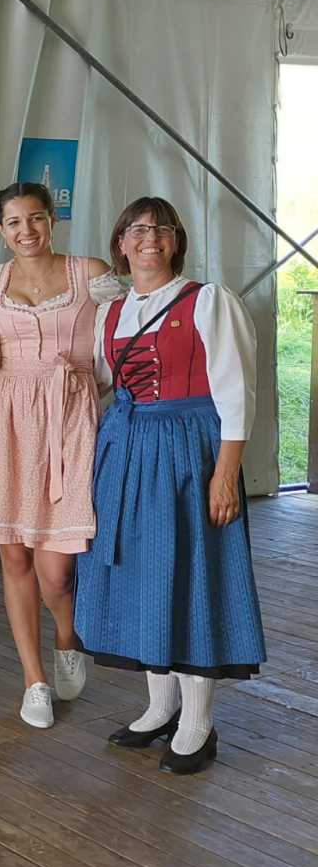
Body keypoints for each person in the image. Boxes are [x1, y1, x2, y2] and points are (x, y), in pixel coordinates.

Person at [76, 198, 263, 775]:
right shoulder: (111, 312)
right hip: (127, 451)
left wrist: (225, 473)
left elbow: (237, 392)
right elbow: (103, 384)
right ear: (121, 243)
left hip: (188, 450)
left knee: (190, 574)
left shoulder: (208, 301)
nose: (149, 238)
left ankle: (198, 722)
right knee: (142, 573)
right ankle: (161, 707)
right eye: (137, 229)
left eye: (161, 229)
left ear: (176, 240)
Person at [0, 181, 123, 729]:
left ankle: (67, 635)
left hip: (70, 414)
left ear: (53, 220)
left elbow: (121, 338)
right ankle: (33, 680)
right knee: (13, 558)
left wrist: (94, 390)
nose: (26, 230)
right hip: (7, 416)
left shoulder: (90, 273)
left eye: (35, 218)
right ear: (1, 229)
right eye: (14, 222)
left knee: (55, 570)